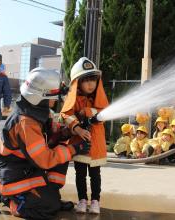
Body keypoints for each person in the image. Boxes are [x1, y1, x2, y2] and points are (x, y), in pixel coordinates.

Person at [0, 68, 82, 219]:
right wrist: (73, 150)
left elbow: (50, 134)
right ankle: (12, 200)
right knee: (49, 207)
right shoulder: (26, 123)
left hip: (24, 167)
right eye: (54, 97)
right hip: (11, 173)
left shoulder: (36, 111)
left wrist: (66, 133)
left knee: (61, 147)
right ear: (40, 97)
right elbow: (44, 159)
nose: (56, 100)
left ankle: (51, 196)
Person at [61, 57, 109, 214]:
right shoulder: (73, 98)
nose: (91, 84)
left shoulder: (99, 98)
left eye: (93, 80)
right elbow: (65, 114)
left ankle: (96, 201)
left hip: (96, 143)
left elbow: (104, 112)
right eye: (86, 80)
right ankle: (82, 200)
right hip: (79, 142)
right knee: (80, 174)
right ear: (77, 83)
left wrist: (88, 112)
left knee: (95, 174)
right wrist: (78, 130)